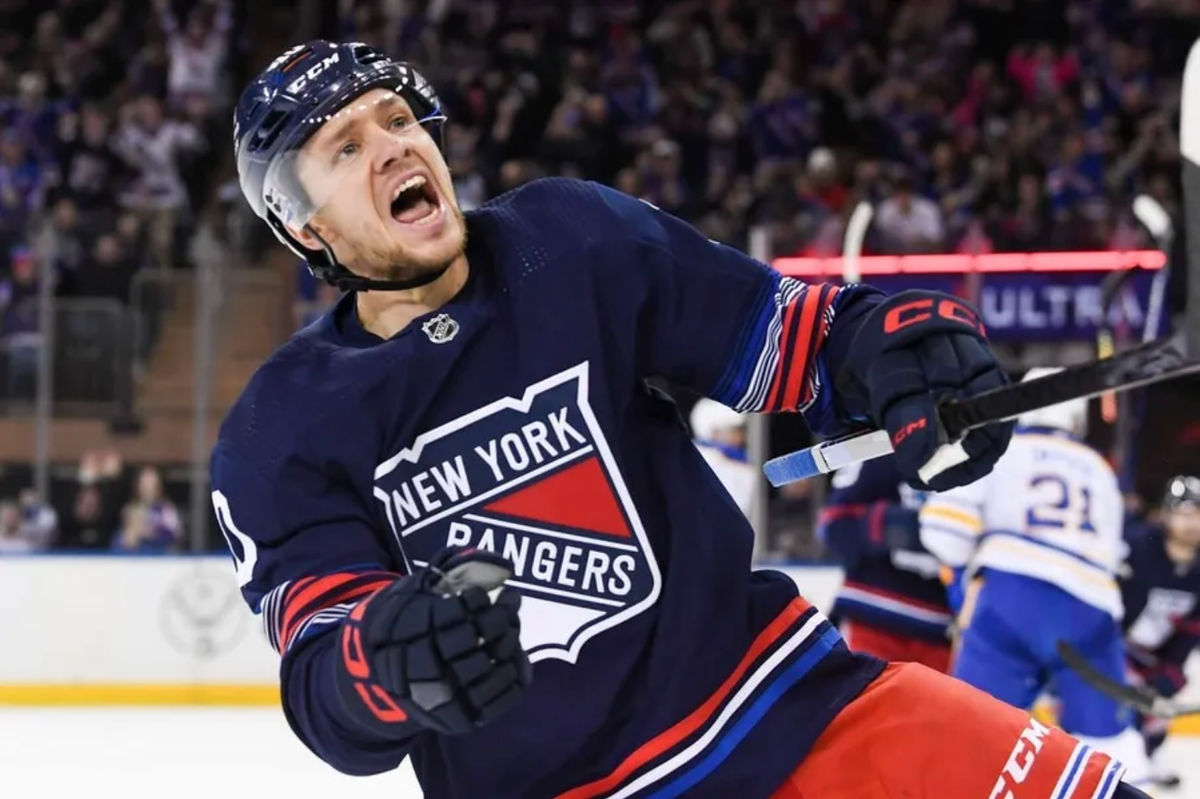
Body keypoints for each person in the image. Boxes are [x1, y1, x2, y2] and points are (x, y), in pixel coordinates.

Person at [212, 41, 1140, 798]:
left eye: (400, 119)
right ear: (307, 230)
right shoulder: (278, 430)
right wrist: (384, 666)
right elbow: (328, 682)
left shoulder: (568, 239)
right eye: (345, 147)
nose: (395, 147)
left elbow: (795, 340)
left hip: (788, 708)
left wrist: (897, 349)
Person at [920, 368, 1150, 787]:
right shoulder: (1099, 468)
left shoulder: (998, 449)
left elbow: (944, 533)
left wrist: (964, 581)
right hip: (1090, 608)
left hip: (1011, 598)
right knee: (1109, 743)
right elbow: (1115, 554)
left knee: (970, 734)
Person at [819, 457, 952, 672]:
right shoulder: (883, 449)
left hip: (944, 634)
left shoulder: (988, 448)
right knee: (855, 704)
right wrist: (896, 528)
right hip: (872, 618)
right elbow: (834, 524)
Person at [1120, 475, 1200, 790]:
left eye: (1199, 514)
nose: (1193, 522)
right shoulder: (1137, 547)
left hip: (1151, 659)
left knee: (1155, 720)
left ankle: (1139, 774)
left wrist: (1167, 675)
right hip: (1110, 650)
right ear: (1167, 513)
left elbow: (1192, 631)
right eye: (1185, 512)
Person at [689, 398, 754, 517]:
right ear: (714, 432)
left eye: (740, 431)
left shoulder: (736, 459)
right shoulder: (702, 459)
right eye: (733, 431)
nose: (739, 438)